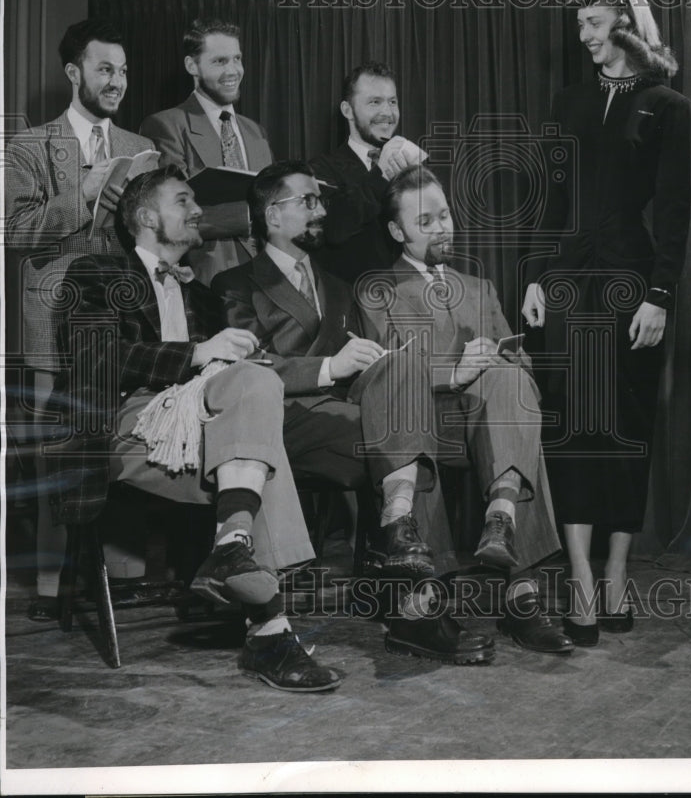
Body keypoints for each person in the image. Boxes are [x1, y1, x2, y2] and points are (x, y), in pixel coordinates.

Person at [50, 166, 341, 692]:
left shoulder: (203, 297)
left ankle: (237, 554)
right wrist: (197, 353)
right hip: (122, 424)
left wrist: (245, 361)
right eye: (182, 200)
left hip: (197, 425)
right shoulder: (93, 274)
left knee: (255, 401)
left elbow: (240, 380)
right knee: (258, 451)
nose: (198, 210)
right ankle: (266, 626)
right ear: (146, 217)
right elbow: (95, 357)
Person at [212, 160, 495, 665]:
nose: (321, 210)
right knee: (404, 436)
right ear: (272, 216)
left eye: (320, 200)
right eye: (308, 201)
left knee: (405, 397)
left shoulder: (339, 287)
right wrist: (329, 367)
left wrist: (386, 369)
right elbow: (244, 370)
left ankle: (412, 582)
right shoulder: (236, 283)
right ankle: (415, 606)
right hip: (273, 424)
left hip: (342, 421)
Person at [521, 0, 691, 646]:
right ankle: (580, 578)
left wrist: (660, 295)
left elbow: (674, 212)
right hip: (566, 283)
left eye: (592, 23)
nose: (583, 36)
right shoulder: (566, 103)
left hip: (630, 284)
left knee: (624, 427)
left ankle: (616, 574)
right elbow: (551, 202)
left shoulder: (666, 105)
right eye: (579, 25)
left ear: (624, 21)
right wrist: (534, 278)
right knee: (570, 425)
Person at [358, 165, 572, 654]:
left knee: (513, 387)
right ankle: (439, 599)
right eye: (425, 221)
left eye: (445, 215)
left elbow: (521, 361)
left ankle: (504, 532)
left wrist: (497, 359)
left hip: (486, 419)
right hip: (414, 422)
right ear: (397, 231)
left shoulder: (479, 287)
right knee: (503, 426)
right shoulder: (378, 291)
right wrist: (454, 372)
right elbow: (384, 371)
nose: (441, 228)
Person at [4, 18, 155, 620]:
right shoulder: (28, 146)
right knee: (57, 454)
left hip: (123, 327)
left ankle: (121, 575)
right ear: (74, 73)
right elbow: (14, 232)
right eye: (104, 69)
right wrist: (84, 193)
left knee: (124, 443)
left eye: (123, 71)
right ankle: (52, 587)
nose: (117, 81)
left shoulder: (140, 147)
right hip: (53, 331)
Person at [140, 19, 273, 285]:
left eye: (237, 59)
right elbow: (173, 217)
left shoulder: (256, 132)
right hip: (207, 281)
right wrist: (252, 216)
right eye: (220, 61)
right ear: (192, 66)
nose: (233, 70)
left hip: (265, 279)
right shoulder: (166, 125)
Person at [311, 61, 428, 285]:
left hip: (412, 298)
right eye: (375, 102)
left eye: (392, 102)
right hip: (355, 299)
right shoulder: (321, 168)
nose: (387, 112)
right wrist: (381, 174)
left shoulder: (410, 166)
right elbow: (333, 229)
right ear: (347, 110)